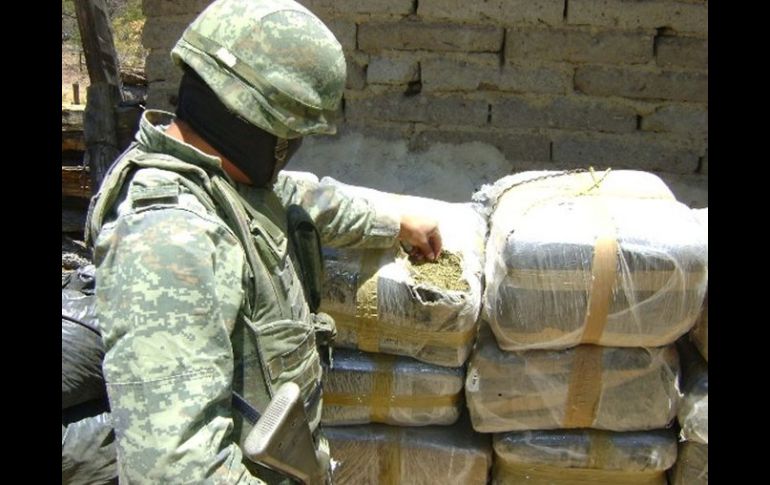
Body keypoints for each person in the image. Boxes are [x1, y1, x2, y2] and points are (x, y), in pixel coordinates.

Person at [85, 0, 442, 482]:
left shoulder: (223, 181)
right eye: (292, 130)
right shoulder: (170, 239)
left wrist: (394, 220)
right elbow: (178, 470)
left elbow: (301, 198)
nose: (294, 145)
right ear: (255, 121)